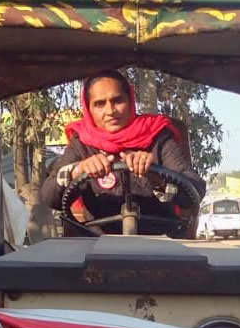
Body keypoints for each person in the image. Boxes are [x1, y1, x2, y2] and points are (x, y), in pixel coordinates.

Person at [41, 70, 206, 234]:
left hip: (159, 242)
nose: (110, 111)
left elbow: (195, 191)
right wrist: (79, 170)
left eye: (117, 100)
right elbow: (49, 197)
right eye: (99, 104)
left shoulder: (158, 136)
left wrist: (157, 178)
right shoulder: (81, 143)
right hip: (97, 242)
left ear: (130, 101)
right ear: (89, 109)